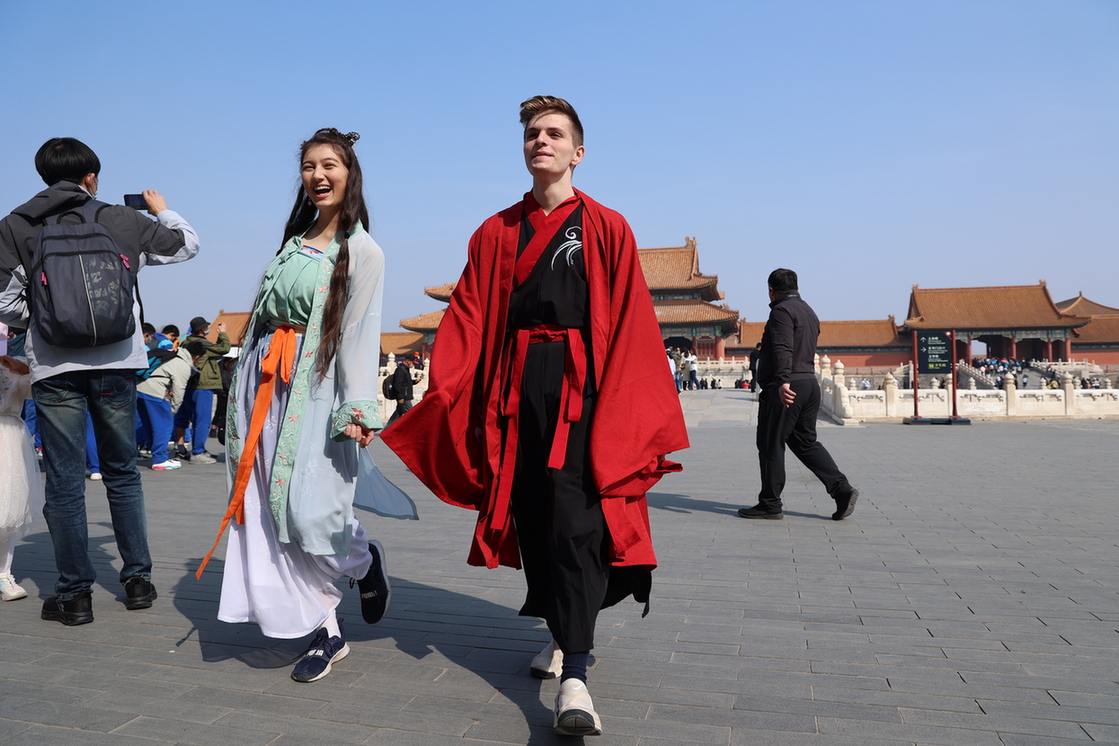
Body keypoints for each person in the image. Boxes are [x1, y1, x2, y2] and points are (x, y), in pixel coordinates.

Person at [381, 96, 688, 736]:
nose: (539, 141)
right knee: (536, 517)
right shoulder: (496, 232)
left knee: (578, 521)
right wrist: (449, 390)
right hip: (516, 394)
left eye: (553, 134)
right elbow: (466, 316)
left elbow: (631, 320)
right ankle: (562, 629)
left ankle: (575, 673)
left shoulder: (606, 226)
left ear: (578, 152)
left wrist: (626, 413)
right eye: (531, 134)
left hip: (583, 392)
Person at [198, 128, 412, 684]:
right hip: (264, 387)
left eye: (329, 166)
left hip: (313, 394)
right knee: (269, 511)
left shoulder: (363, 252)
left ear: (350, 173)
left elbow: (362, 333)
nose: (318, 176)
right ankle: (326, 631)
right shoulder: (294, 240)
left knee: (311, 508)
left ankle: (363, 560)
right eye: (309, 167)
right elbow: (265, 319)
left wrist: (360, 410)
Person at [0, 137, 199, 624]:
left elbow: (4, 304)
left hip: (56, 369)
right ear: (91, 177)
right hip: (117, 363)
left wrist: (47, 324)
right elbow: (187, 247)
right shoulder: (120, 218)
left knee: (65, 481)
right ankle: (137, 582)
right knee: (123, 473)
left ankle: (73, 594)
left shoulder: (17, 224)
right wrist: (164, 211)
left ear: (45, 176)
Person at [738, 269, 858, 522]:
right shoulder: (808, 311)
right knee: (804, 442)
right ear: (797, 287)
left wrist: (782, 381)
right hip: (808, 383)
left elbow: (783, 347)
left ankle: (770, 503)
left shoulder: (781, 311)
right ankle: (841, 489)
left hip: (787, 386)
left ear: (771, 290)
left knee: (770, 442)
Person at [0, 341, 43, 602]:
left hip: (7, 437)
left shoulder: (12, 365)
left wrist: (22, 368)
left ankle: (3, 573)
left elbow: (40, 390)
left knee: (8, 510)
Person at [137, 340, 205, 470]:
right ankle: (160, 459)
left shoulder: (172, 354)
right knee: (164, 426)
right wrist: (173, 410)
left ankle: (156, 454)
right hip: (156, 393)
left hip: (140, 389)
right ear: (197, 357)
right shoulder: (183, 365)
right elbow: (179, 391)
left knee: (149, 425)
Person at [172, 317, 230, 464]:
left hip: (190, 383)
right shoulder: (201, 343)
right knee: (202, 419)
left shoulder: (186, 342)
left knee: (184, 416)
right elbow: (224, 349)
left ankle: (181, 448)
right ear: (203, 329)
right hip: (203, 384)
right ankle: (198, 451)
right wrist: (222, 333)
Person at [386, 356, 414, 426]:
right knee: (411, 414)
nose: (413, 364)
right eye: (412, 362)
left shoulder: (405, 369)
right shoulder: (400, 370)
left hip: (406, 395)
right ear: (408, 361)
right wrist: (400, 397)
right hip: (404, 397)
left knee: (397, 414)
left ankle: (387, 429)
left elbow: (406, 383)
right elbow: (398, 385)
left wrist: (415, 381)